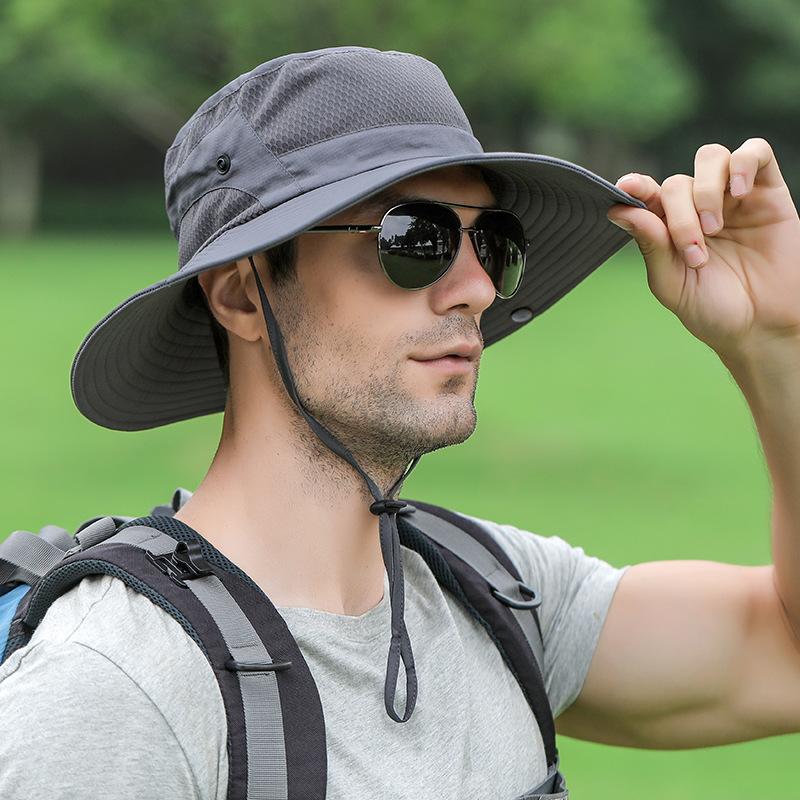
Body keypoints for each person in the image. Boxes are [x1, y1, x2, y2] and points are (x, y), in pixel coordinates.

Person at [2, 44, 799, 799]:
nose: (477, 289)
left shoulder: (493, 594)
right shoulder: (112, 688)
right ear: (243, 295)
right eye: (414, 238)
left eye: (492, 242)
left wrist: (775, 343)